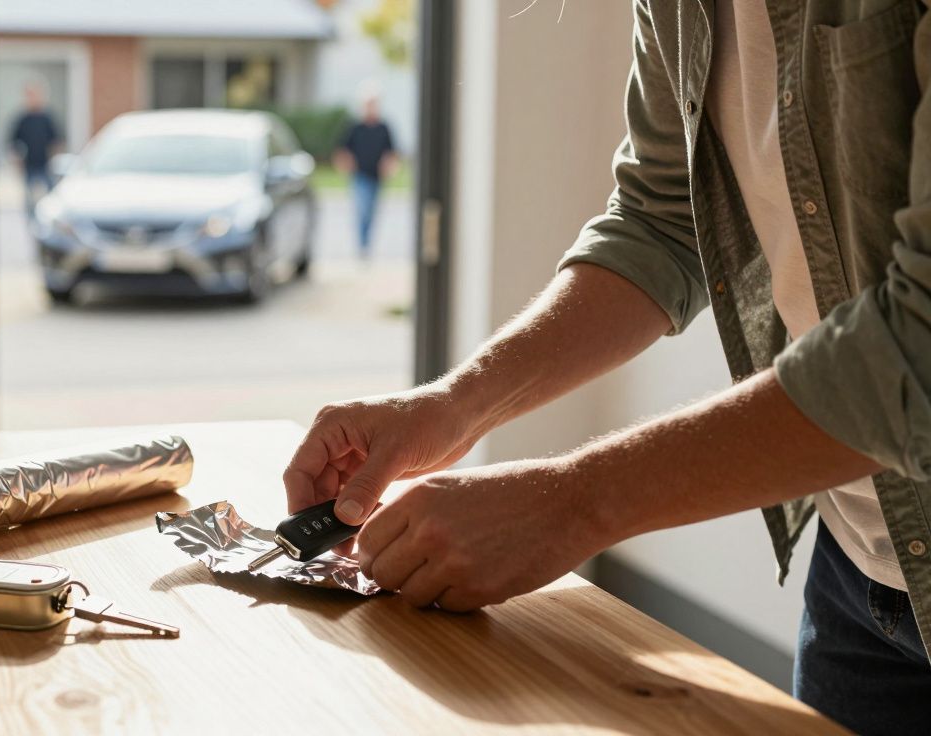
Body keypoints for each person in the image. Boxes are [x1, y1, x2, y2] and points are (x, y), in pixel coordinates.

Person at [284, 2, 931, 733]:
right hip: (858, 566)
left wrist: (568, 506)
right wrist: (451, 404)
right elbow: (660, 218)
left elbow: (920, 340)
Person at [335, 91, 397, 258]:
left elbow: (390, 152)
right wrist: (345, 165)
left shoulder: (383, 127)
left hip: (376, 176)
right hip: (360, 176)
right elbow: (343, 150)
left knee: (371, 211)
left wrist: (389, 166)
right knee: (362, 209)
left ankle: (367, 242)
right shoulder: (355, 127)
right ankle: (363, 244)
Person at [9, 82, 65, 221]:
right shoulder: (23, 119)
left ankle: (50, 220)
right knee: (29, 198)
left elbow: (57, 140)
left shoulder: (47, 118)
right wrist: (17, 162)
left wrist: (54, 160)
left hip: (45, 164)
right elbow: (13, 142)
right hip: (29, 164)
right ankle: (31, 221)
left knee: (51, 196)